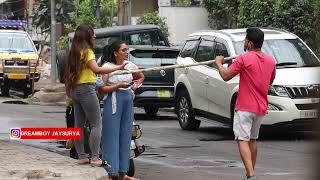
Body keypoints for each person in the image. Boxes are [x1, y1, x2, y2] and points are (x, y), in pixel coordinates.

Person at [214, 27, 276, 180]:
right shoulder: (271, 61)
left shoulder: (243, 58)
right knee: (252, 139)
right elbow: (270, 80)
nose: (243, 42)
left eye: (245, 40)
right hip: (260, 108)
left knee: (242, 139)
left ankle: (250, 174)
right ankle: (250, 175)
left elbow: (226, 76)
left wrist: (218, 63)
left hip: (245, 107)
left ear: (249, 43)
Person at [65, 24, 126, 166]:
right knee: (96, 124)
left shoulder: (74, 51)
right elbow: (97, 69)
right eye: (93, 34)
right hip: (87, 89)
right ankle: (94, 157)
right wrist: (118, 67)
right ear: (87, 36)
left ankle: (82, 156)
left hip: (75, 90)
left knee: (78, 125)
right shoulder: (88, 52)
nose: (95, 36)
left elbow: (69, 73)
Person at [98, 41, 144, 180]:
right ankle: (111, 171)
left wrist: (134, 86)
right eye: (124, 50)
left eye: (127, 50)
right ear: (115, 52)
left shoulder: (130, 65)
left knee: (125, 136)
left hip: (128, 101)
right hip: (113, 101)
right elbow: (101, 89)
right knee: (111, 136)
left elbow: (141, 76)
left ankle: (123, 172)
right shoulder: (107, 67)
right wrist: (118, 86)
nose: (126, 52)